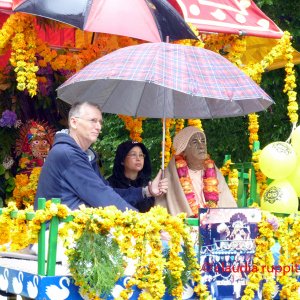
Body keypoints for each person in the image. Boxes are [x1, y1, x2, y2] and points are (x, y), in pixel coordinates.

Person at [35, 102, 168, 212]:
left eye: (100, 122)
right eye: (93, 121)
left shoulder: (85, 155)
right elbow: (102, 196)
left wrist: (147, 191)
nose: (98, 127)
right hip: (59, 235)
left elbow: (109, 193)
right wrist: (144, 224)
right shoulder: (66, 154)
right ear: (74, 122)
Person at [155, 126, 236, 217]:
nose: (201, 146)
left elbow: (228, 206)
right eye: (194, 142)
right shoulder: (171, 175)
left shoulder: (214, 173)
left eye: (203, 141)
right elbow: (163, 210)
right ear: (183, 150)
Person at [107, 140, 154, 212]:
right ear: (122, 160)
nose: (138, 159)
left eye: (141, 155)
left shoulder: (148, 184)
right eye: (133, 155)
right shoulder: (110, 184)